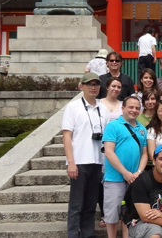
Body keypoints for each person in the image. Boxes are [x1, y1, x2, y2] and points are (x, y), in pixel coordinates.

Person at [62, 72, 109, 238]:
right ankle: (73, 234)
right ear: (81, 86)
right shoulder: (73, 107)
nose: (93, 87)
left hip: (97, 161)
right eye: (90, 84)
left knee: (90, 204)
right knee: (76, 204)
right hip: (80, 161)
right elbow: (67, 135)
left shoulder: (103, 108)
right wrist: (71, 162)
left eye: (96, 84)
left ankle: (88, 235)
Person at [102, 96, 149, 238]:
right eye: (131, 107)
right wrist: (125, 173)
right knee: (112, 213)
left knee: (129, 213)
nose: (134, 110)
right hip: (115, 178)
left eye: (137, 108)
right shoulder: (113, 126)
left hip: (134, 179)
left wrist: (138, 172)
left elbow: (145, 154)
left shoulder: (142, 129)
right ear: (123, 108)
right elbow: (109, 152)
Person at [97, 77, 124, 228]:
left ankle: (120, 213)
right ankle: (104, 214)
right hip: (101, 148)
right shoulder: (99, 104)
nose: (116, 89)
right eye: (113, 86)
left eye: (118, 87)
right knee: (103, 182)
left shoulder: (123, 105)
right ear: (107, 87)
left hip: (118, 149)